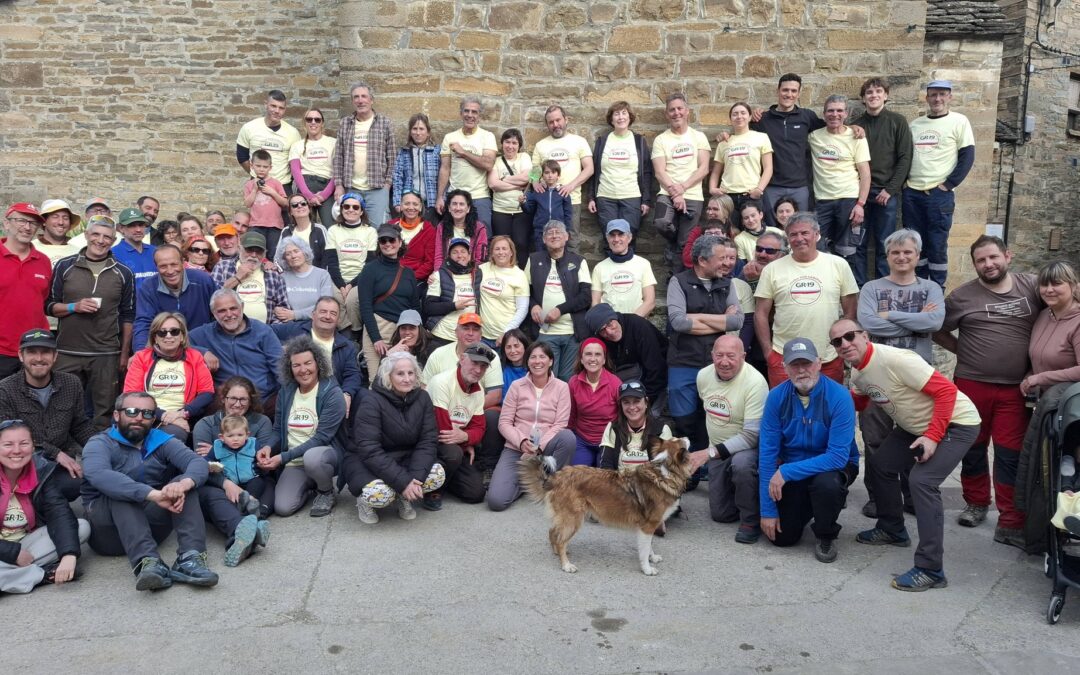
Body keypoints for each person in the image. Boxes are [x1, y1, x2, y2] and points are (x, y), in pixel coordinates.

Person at [831, 319, 981, 591]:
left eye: (849, 336)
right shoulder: (858, 373)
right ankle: (892, 528)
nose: (844, 344)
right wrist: (824, 393)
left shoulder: (896, 359)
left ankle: (931, 568)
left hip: (955, 423)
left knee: (922, 482)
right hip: (914, 427)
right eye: (837, 342)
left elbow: (947, 391)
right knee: (880, 465)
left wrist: (933, 437)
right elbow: (862, 400)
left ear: (864, 336)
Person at [934, 235, 1040, 547]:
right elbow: (937, 328)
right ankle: (977, 503)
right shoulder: (963, 296)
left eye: (993, 257)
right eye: (981, 260)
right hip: (971, 385)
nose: (988, 264)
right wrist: (962, 351)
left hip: (1015, 389)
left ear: (1008, 255)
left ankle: (1010, 519)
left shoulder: (1032, 287)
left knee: (1010, 454)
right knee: (973, 448)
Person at [82, 391, 217, 591]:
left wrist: (184, 484)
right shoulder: (99, 443)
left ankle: (190, 559)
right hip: (107, 532)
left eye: (146, 414)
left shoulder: (160, 440)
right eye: (131, 411)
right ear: (117, 415)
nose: (139, 418)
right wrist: (152, 494)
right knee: (120, 489)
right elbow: (99, 474)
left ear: (153, 419)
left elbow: (196, 462)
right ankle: (147, 562)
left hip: (151, 525)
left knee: (182, 483)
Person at [856, 229, 945, 518]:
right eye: (896, 252)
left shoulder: (931, 288)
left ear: (917, 256)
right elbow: (868, 323)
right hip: (877, 378)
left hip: (917, 381)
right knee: (875, 441)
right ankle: (879, 498)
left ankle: (912, 495)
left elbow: (935, 321)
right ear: (888, 256)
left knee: (915, 439)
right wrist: (917, 322)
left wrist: (888, 316)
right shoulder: (872, 288)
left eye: (908, 252)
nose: (902, 257)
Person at [758, 339, 860, 563]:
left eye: (807, 363)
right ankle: (811, 505)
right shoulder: (776, 397)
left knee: (827, 485)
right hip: (794, 465)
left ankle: (825, 533)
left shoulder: (840, 397)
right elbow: (767, 454)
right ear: (785, 368)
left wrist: (786, 472)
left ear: (819, 363)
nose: (802, 370)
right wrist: (768, 511)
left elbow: (838, 457)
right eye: (795, 365)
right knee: (782, 538)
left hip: (834, 466)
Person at [48, 216, 135, 429]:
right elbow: (49, 305)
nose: (100, 240)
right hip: (68, 350)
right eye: (95, 234)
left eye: (107, 237)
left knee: (104, 411)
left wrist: (124, 353)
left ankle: (99, 454)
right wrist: (73, 307)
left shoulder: (123, 272)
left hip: (106, 352)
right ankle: (62, 451)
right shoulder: (64, 266)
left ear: (113, 240)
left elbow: (128, 315)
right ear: (86, 235)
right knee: (62, 405)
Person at [754, 212, 858, 388]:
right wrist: (768, 353)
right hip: (784, 356)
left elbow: (850, 311)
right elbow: (761, 314)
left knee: (828, 410)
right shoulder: (772, 269)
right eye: (793, 234)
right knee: (786, 410)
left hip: (828, 356)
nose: (799, 238)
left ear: (817, 235)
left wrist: (842, 347)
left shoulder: (838, 264)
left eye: (804, 233)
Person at [346, 352, 444, 524]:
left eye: (411, 373)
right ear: (388, 376)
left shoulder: (423, 397)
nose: (407, 379)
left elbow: (428, 441)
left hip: (406, 457)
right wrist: (403, 482)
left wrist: (414, 478)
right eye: (400, 374)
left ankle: (403, 496)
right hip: (369, 461)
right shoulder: (371, 401)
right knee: (381, 495)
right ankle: (364, 501)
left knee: (437, 475)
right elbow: (369, 450)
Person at [666, 235, 744, 451]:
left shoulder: (728, 284)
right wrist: (722, 322)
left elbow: (737, 321)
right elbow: (679, 322)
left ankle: (711, 465)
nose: (727, 263)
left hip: (717, 362)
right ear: (702, 260)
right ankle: (689, 470)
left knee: (715, 416)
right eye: (721, 258)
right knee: (684, 419)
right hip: (683, 361)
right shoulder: (678, 281)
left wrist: (696, 318)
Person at [0, 329, 93, 502]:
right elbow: (10, 436)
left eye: (45, 352)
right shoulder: (5, 389)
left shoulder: (71, 383)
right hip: (22, 461)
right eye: (32, 352)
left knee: (76, 484)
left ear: (55, 356)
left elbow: (80, 425)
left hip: (59, 463)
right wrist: (56, 453)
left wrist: (102, 446)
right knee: (44, 491)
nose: (39, 358)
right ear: (21, 355)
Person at [259, 336, 347, 517]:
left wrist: (282, 458)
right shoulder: (286, 391)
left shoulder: (332, 393)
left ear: (318, 363)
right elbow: (277, 430)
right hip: (294, 462)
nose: (303, 370)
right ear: (289, 368)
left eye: (308, 363)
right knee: (283, 508)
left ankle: (325, 491)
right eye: (296, 365)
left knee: (312, 458)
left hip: (323, 455)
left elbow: (321, 438)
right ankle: (310, 485)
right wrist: (268, 447)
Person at [693, 335, 768, 543]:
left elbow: (752, 436)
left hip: (747, 450)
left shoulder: (755, 383)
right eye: (719, 355)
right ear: (712, 356)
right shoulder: (703, 376)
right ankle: (747, 495)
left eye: (731, 356)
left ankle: (750, 519)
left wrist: (707, 454)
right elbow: (708, 410)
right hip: (718, 450)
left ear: (743, 356)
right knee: (721, 515)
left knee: (741, 464)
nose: (724, 362)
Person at [0, 420, 90, 593]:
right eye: (8, 444)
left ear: (33, 447)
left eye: (24, 443)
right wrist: (12, 553)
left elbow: (58, 512)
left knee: (81, 527)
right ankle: (41, 575)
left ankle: (11, 576)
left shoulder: (41, 470)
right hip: (5, 550)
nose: (17, 450)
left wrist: (69, 555)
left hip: (28, 543)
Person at [904, 80, 975, 288]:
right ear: (927, 98)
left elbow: (967, 156)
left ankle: (936, 290)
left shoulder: (959, 121)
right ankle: (918, 286)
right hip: (912, 193)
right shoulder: (915, 125)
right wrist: (905, 185)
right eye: (933, 95)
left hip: (938, 195)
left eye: (942, 94)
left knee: (936, 245)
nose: (937, 99)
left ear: (949, 97)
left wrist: (949, 184)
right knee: (915, 244)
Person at [489, 341, 575, 512]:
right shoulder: (516, 386)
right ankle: (532, 481)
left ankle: (551, 483)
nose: (537, 361)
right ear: (527, 362)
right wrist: (522, 443)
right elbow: (504, 422)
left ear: (550, 361)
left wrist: (538, 447)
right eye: (533, 357)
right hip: (517, 447)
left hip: (546, 447)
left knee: (568, 437)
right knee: (496, 501)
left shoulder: (562, 387)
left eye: (542, 357)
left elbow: (560, 423)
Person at [849, 77, 914, 284]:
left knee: (884, 244)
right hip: (860, 195)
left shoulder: (897, 121)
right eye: (869, 92)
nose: (874, 95)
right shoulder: (856, 126)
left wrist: (891, 189)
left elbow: (905, 158)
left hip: (886, 194)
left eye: (878, 91)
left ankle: (882, 288)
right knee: (857, 243)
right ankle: (859, 288)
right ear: (863, 98)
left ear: (886, 96)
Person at [123, 313, 214, 442]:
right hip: (143, 414)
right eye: (162, 332)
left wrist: (182, 414)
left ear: (182, 336)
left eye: (174, 331)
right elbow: (131, 394)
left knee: (170, 438)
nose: (169, 336)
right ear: (155, 337)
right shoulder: (141, 358)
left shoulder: (195, 357)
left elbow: (207, 392)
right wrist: (163, 415)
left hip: (180, 415)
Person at [192, 378, 278, 515]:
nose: (237, 404)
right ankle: (241, 514)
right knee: (208, 493)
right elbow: (202, 464)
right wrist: (225, 482)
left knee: (267, 484)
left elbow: (262, 457)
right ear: (223, 399)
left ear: (250, 401)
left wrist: (222, 450)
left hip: (252, 476)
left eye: (243, 399)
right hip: (220, 480)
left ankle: (255, 513)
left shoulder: (261, 421)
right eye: (233, 398)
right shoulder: (205, 424)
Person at [751, 73, 825, 227]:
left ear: (798, 94)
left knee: (801, 227)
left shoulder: (807, 117)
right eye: (785, 90)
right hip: (771, 186)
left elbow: (832, 129)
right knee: (771, 228)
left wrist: (852, 128)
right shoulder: (762, 119)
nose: (789, 94)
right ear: (777, 91)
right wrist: (725, 135)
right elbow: (743, 134)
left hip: (800, 186)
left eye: (793, 91)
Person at [808, 95, 871, 276]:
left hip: (849, 201)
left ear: (846, 113)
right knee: (818, 247)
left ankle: (851, 295)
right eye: (830, 110)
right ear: (824, 113)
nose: (834, 114)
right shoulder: (814, 136)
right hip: (823, 202)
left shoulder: (856, 137)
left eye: (839, 110)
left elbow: (865, 174)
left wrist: (860, 204)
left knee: (849, 250)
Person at [427, 344, 495, 506]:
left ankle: (444, 478)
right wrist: (467, 443)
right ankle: (432, 490)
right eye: (474, 363)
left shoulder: (478, 391)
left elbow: (479, 428)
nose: (478, 370)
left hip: (456, 445)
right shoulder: (441, 382)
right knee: (454, 453)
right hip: (431, 443)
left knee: (476, 493)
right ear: (462, 359)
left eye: (483, 366)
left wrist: (466, 436)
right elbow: (443, 431)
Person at [200, 414, 271, 567]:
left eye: (240, 435)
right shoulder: (217, 447)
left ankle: (251, 503)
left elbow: (261, 460)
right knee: (226, 498)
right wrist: (211, 465)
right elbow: (206, 461)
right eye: (230, 435)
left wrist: (263, 462)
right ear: (221, 437)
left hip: (250, 479)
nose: (236, 439)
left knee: (258, 483)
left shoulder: (253, 444)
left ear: (248, 435)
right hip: (230, 482)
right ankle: (252, 521)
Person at [190, 289, 283, 404]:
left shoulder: (263, 331)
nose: (229, 314)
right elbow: (176, 343)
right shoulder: (205, 333)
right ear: (214, 313)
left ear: (242, 307)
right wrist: (203, 352)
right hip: (225, 403)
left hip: (262, 400)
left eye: (233, 308)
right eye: (222, 311)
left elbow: (280, 368)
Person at [652, 93, 711, 272]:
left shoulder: (698, 136)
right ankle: (674, 240)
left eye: (679, 109)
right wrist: (675, 193)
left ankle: (676, 279)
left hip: (692, 195)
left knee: (685, 244)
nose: (676, 113)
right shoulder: (661, 139)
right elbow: (659, 171)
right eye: (672, 110)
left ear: (687, 111)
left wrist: (683, 188)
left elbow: (704, 169)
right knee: (661, 222)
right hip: (667, 194)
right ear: (666, 114)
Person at [527, 220, 591, 381]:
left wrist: (560, 310)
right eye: (549, 233)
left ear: (566, 237)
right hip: (545, 331)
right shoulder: (533, 260)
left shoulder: (578, 261)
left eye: (558, 232)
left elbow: (586, 297)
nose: (554, 236)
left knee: (568, 379)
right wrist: (533, 305)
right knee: (546, 378)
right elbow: (524, 292)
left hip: (572, 332)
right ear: (543, 239)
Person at [358, 224, 420, 382]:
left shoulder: (408, 273)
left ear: (400, 242)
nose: (387, 244)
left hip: (402, 330)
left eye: (391, 240)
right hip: (378, 326)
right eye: (383, 241)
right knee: (377, 380)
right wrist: (376, 338)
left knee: (402, 379)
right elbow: (365, 306)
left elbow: (415, 307)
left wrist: (414, 333)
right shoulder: (370, 269)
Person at [331, 81, 396, 227]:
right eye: (356, 97)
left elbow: (391, 157)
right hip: (351, 187)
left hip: (377, 189)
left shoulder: (385, 123)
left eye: (364, 96)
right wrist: (339, 185)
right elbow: (338, 157)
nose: (360, 100)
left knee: (377, 228)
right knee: (351, 227)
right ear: (352, 101)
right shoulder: (345, 123)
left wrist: (387, 184)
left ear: (371, 100)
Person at [532, 104, 594, 249]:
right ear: (547, 124)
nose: (555, 124)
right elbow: (534, 170)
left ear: (566, 120)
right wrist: (535, 182)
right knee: (545, 240)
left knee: (571, 239)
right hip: (546, 202)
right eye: (551, 122)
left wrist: (570, 186)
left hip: (571, 200)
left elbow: (589, 168)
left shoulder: (579, 141)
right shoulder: (541, 145)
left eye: (558, 120)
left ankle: (571, 272)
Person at [588, 100, 653, 238]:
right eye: (616, 114)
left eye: (624, 113)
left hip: (632, 197)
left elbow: (646, 172)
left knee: (629, 237)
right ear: (611, 119)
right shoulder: (603, 141)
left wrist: (646, 200)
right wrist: (591, 197)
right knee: (610, 237)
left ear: (630, 117)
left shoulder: (639, 141)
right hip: (606, 197)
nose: (621, 117)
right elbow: (594, 170)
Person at [1, 203, 51, 379]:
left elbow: (40, 300)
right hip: (1, 351)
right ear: (7, 223)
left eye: (32, 223)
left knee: (33, 404)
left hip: (34, 351)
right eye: (21, 220)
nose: (27, 227)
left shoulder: (43, 261)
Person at [133, 245, 216, 349]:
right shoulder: (148, 287)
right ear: (156, 267)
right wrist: (141, 352)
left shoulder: (203, 281)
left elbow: (217, 316)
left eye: (174, 264)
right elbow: (143, 322)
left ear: (183, 262)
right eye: (163, 266)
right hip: (166, 349)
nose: (170, 271)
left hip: (203, 347)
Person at [584, 302, 668, 404]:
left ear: (615, 317)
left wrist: (645, 401)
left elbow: (656, 368)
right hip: (624, 375)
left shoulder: (638, 326)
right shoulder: (597, 340)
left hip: (655, 377)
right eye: (603, 330)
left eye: (610, 324)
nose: (610, 332)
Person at [437, 96, 497, 230]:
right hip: (455, 197)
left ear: (479, 116)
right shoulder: (450, 137)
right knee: (453, 238)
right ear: (461, 113)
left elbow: (488, 164)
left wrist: (463, 152)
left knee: (483, 238)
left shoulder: (487, 136)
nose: (470, 115)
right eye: (466, 111)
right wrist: (440, 197)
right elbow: (445, 169)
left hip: (479, 196)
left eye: (474, 112)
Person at [708, 102, 774, 223]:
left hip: (751, 195)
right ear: (730, 119)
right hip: (727, 196)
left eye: (743, 113)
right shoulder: (724, 143)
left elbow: (768, 168)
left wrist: (759, 190)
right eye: (735, 114)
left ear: (749, 117)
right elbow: (716, 172)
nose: (739, 116)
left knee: (754, 231)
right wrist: (712, 189)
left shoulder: (761, 137)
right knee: (730, 233)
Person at [325, 192, 377, 336]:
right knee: (336, 300)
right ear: (341, 209)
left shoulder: (370, 231)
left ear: (361, 211)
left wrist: (350, 285)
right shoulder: (333, 230)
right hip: (337, 278)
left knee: (351, 301)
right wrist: (341, 284)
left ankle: (356, 334)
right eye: (346, 206)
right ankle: (345, 334)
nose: (351, 210)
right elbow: (332, 262)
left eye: (355, 207)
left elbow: (370, 263)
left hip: (362, 277)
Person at [212, 231, 290, 325]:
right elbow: (213, 297)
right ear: (240, 248)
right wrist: (237, 277)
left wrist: (269, 330)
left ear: (265, 254)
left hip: (264, 331)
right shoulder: (223, 267)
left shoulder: (273, 275)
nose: (254, 255)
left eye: (259, 251)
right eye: (249, 250)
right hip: (227, 330)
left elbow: (283, 309)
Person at [597, 379, 673, 472]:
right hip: (619, 484)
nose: (632, 407)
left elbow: (666, 468)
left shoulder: (661, 429)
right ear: (621, 405)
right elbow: (605, 466)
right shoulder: (613, 428)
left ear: (646, 402)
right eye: (626, 402)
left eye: (636, 401)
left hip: (651, 484)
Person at [236, 89, 301, 195]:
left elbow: (296, 162)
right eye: (273, 106)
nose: (277, 111)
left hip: (283, 185)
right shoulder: (249, 128)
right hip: (258, 184)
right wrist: (258, 174)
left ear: (285, 110)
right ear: (266, 104)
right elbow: (242, 157)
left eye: (281, 108)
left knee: (285, 212)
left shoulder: (293, 133)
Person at [567, 338, 621, 466]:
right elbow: (571, 414)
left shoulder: (615, 383)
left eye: (597, 354)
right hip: (582, 439)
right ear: (581, 358)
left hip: (607, 440)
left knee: (602, 479)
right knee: (578, 477)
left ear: (604, 360)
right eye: (588, 354)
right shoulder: (574, 382)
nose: (592, 359)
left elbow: (622, 415)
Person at [590, 219, 657, 317]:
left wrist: (630, 322)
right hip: (610, 326)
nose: (616, 239)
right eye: (612, 235)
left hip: (636, 324)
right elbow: (595, 303)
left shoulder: (643, 264)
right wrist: (610, 323)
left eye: (621, 234)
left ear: (629, 238)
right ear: (607, 238)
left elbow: (650, 301)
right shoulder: (599, 268)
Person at [488, 128, 533, 264]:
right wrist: (517, 185)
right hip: (500, 211)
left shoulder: (524, 157)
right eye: (507, 142)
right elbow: (493, 184)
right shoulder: (496, 161)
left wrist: (504, 179)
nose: (510, 146)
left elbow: (527, 178)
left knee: (521, 244)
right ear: (502, 144)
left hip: (521, 210)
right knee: (502, 247)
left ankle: (522, 277)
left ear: (519, 146)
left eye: (514, 143)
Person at [476, 235, 529, 347]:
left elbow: (522, 308)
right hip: (482, 336)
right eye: (497, 249)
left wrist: (506, 333)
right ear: (492, 253)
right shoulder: (482, 269)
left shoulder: (519, 275)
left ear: (511, 252)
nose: (501, 252)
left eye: (504, 249)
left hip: (505, 338)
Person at [288, 107, 337, 227]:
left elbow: (338, 171)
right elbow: (296, 172)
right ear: (305, 123)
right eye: (309, 119)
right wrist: (308, 196)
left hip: (327, 187)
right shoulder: (297, 146)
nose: (313, 122)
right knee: (305, 227)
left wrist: (323, 195)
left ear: (322, 123)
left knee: (330, 226)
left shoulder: (333, 142)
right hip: (305, 185)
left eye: (317, 119)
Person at [425, 238, 477, 346]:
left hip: (469, 337)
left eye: (463, 251)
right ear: (449, 256)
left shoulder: (479, 275)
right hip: (442, 335)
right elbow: (428, 308)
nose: (459, 255)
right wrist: (454, 306)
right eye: (455, 252)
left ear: (469, 255)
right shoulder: (439, 275)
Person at [273, 236, 336, 322]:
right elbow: (276, 303)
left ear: (304, 252)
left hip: (317, 323)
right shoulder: (282, 278)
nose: (293, 256)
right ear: (285, 259)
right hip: (290, 325)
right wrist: (276, 309)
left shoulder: (322, 275)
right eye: (288, 254)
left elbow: (326, 306)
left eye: (296, 251)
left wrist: (296, 315)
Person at [392, 113, 441, 223]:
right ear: (410, 132)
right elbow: (397, 178)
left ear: (428, 132)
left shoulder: (436, 151)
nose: (418, 133)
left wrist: (442, 199)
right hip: (410, 205)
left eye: (421, 129)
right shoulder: (404, 152)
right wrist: (397, 202)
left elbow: (443, 178)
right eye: (414, 129)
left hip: (431, 203)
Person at [242, 149, 289, 258]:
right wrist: (254, 190)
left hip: (274, 225)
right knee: (256, 253)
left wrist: (272, 192)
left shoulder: (276, 183)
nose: (261, 169)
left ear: (270, 167)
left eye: (265, 167)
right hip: (256, 225)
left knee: (273, 254)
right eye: (258, 166)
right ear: (252, 165)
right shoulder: (249, 184)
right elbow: (247, 204)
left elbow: (285, 203)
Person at [387, 191, 437, 286]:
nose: (411, 207)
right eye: (407, 204)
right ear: (401, 206)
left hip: (414, 279)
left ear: (421, 207)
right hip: (389, 275)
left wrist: (410, 278)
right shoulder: (390, 226)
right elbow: (381, 255)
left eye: (415, 204)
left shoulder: (429, 230)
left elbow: (429, 263)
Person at [433, 189, 489, 271]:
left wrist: (471, 274)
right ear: (449, 208)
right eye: (454, 204)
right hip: (447, 272)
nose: (458, 208)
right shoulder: (441, 227)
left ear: (468, 208)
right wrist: (437, 274)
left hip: (471, 271)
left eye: (462, 204)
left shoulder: (479, 228)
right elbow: (439, 256)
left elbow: (480, 259)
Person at [682, 195, 736, 270]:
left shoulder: (733, 234)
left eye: (715, 209)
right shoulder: (698, 231)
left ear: (726, 213)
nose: (710, 212)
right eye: (709, 209)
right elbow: (687, 258)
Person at [280, 195, 329, 269]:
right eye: (294, 205)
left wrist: (322, 277)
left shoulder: (320, 230)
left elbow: (327, 258)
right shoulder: (286, 231)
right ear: (290, 212)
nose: (300, 206)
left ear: (309, 208)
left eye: (303, 203)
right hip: (292, 277)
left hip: (317, 277)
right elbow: (279, 257)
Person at [33, 200, 81, 274]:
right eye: (55, 217)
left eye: (65, 218)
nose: (61, 222)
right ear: (44, 221)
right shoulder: (30, 248)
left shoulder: (78, 252)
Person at [111, 207, 157, 283]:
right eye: (132, 225)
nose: (138, 230)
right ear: (121, 228)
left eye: (141, 225)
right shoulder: (113, 254)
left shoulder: (155, 251)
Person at [498, 328, 529, 402]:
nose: (513, 351)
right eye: (508, 347)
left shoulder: (533, 369)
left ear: (525, 346)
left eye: (516, 346)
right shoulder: (501, 368)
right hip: (505, 409)